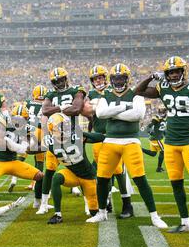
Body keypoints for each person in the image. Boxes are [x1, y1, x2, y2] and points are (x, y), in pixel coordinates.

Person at [134, 56, 189, 238]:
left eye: (176, 71)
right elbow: (138, 90)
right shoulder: (163, 87)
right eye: (170, 72)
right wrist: (151, 76)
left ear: (183, 71)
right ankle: (185, 222)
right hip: (171, 144)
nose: (173, 75)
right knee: (176, 184)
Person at [83, 63, 168, 227]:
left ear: (127, 78)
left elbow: (138, 114)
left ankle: (154, 216)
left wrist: (113, 112)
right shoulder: (107, 94)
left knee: (140, 179)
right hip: (110, 141)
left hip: (130, 141)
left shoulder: (135, 92)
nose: (118, 81)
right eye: (115, 78)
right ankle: (101, 213)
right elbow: (100, 113)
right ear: (111, 79)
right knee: (101, 179)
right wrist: (124, 107)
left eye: (122, 78)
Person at [0, 103, 44, 211]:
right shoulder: (4, 121)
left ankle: (37, 203)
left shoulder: (28, 128)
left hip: (13, 161)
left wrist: (33, 147)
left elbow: (28, 148)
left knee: (40, 176)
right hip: (0, 161)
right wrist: (16, 147)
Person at [87, 65, 134, 218]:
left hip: (114, 135)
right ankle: (106, 201)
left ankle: (127, 204)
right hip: (99, 136)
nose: (98, 80)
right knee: (102, 172)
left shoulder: (114, 91)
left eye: (100, 77)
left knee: (119, 171)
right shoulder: (91, 94)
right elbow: (91, 117)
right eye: (95, 79)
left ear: (107, 78)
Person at [40, 67, 86, 211]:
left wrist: (59, 109)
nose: (59, 83)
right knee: (49, 170)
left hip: (72, 135)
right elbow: (45, 110)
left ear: (66, 78)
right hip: (55, 137)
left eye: (61, 79)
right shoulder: (51, 93)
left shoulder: (76, 90)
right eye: (56, 81)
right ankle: (43, 204)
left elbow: (77, 108)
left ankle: (88, 203)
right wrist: (61, 107)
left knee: (81, 170)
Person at [44, 113, 100, 224]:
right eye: (61, 126)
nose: (65, 127)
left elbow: (100, 138)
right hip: (72, 174)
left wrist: (83, 134)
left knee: (95, 213)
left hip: (88, 177)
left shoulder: (77, 136)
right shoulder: (50, 141)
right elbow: (33, 149)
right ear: (53, 129)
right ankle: (58, 215)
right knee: (56, 178)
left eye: (66, 124)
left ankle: (105, 201)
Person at [142, 106, 167, 172]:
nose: (162, 112)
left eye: (163, 110)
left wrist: (165, 134)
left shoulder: (165, 118)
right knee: (163, 151)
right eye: (161, 110)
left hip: (157, 138)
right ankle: (159, 168)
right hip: (157, 138)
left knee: (153, 153)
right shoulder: (157, 117)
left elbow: (162, 129)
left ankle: (140, 149)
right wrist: (149, 131)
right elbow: (149, 126)